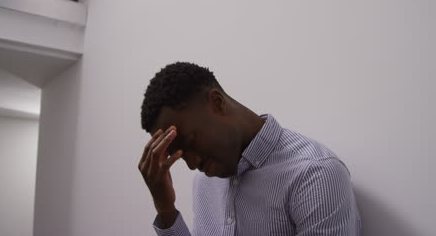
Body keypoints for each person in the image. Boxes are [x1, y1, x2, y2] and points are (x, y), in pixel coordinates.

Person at [138, 62, 361, 235]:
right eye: (177, 154)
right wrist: (165, 209)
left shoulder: (315, 176)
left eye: (188, 143)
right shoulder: (205, 182)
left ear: (217, 103)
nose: (192, 164)